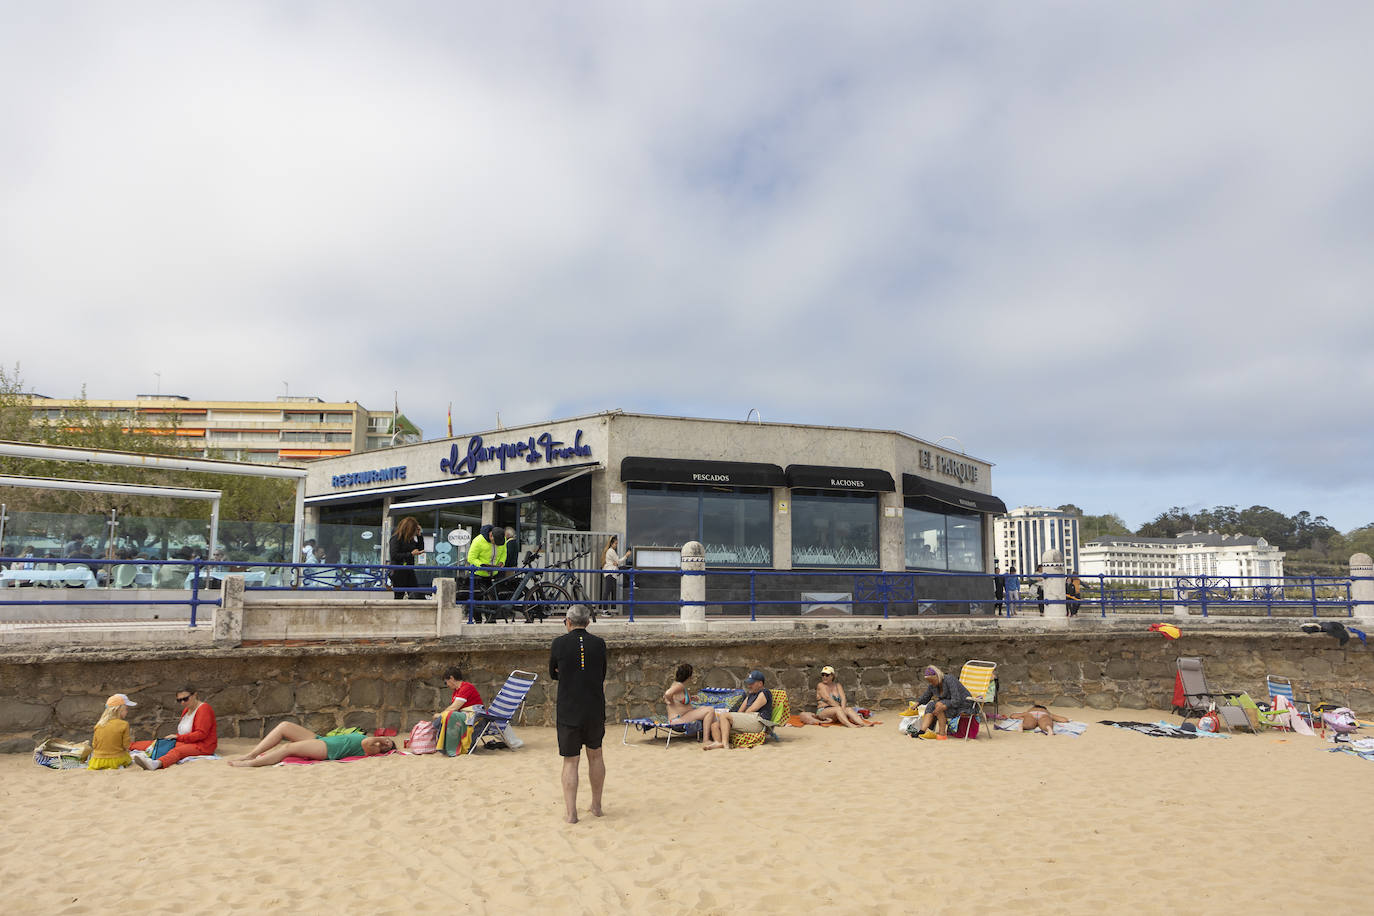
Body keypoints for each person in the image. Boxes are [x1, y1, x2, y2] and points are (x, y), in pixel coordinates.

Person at [549, 605, 607, 823]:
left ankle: (572, 813)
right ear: (588, 622)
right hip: (593, 706)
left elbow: (553, 673)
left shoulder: (559, 643)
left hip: (569, 707)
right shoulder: (599, 644)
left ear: (568, 622)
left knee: (571, 760)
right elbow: (602, 673)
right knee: (596, 755)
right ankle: (597, 806)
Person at [227, 722, 395, 767]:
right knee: (284, 726)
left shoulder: (373, 747)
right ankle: (252, 754)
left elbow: (367, 742)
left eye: (390, 744)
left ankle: (251, 763)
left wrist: (381, 741)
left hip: (329, 749)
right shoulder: (367, 738)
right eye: (388, 740)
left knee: (288, 748)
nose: (388, 742)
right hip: (321, 739)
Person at [133, 686, 218, 770]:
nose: (182, 702)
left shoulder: (204, 709)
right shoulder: (186, 710)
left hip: (202, 746)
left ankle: (157, 764)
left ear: (195, 695)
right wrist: (176, 737)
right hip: (187, 741)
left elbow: (201, 734)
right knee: (158, 743)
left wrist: (178, 737)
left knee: (177, 751)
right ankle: (128, 747)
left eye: (185, 699)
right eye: (179, 700)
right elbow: (185, 732)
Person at [705, 669, 773, 750]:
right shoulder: (751, 695)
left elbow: (751, 710)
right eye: (749, 683)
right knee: (715, 725)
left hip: (758, 721)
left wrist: (732, 718)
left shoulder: (764, 692)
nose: (749, 686)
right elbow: (740, 711)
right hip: (749, 720)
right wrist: (731, 720)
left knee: (724, 716)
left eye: (752, 683)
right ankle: (718, 742)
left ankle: (725, 744)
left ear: (760, 683)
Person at [662, 663, 717, 745]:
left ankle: (715, 736)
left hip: (681, 717)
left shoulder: (678, 685)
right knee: (710, 710)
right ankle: (706, 739)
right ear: (689, 675)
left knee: (704, 708)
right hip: (678, 719)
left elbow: (678, 699)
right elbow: (667, 694)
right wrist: (669, 700)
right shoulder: (679, 685)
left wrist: (690, 698)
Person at [913, 665, 973, 739]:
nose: (931, 683)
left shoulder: (949, 680)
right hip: (949, 703)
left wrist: (943, 707)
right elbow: (926, 696)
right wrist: (917, 703)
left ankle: (942, 734)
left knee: (939, 704)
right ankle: (921, 731)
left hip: (963, 704)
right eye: (929, 681)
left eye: (932, 680)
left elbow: (956, 699)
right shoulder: (933, 685)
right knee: (931, 705)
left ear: (937, 676)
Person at [88, 693, 137, 770]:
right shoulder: (124, 724)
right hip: (117, 759)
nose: (127, 712)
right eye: (126, 709)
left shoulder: (99, 725)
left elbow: (94, 745)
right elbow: (126, 745)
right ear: (119, 709)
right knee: (129, 758)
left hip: (98, 761)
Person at [389, 516, 425, 600]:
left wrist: (419, 535)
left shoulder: (410, 540)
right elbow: (394, 555)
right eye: (414, 530)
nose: (414, 532)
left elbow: (420, 549)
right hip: (398, 570)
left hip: (409, 569)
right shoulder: (396, 538)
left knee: (415, 593)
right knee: (399, 595)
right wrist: (410, 554)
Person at [599, 535, 631, 614]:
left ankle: (630, 583)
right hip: (610, 572)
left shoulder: (610, 551)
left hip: (613, 572)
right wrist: (626, 555)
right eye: (615, 544)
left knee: (624, 569)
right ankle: (604, 610)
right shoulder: (611, 551)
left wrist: (616, 563)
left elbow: (617, 562)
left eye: (617, 544)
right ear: (611, 544)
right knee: (607, 591)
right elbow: (618, 561)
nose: (616, 545)